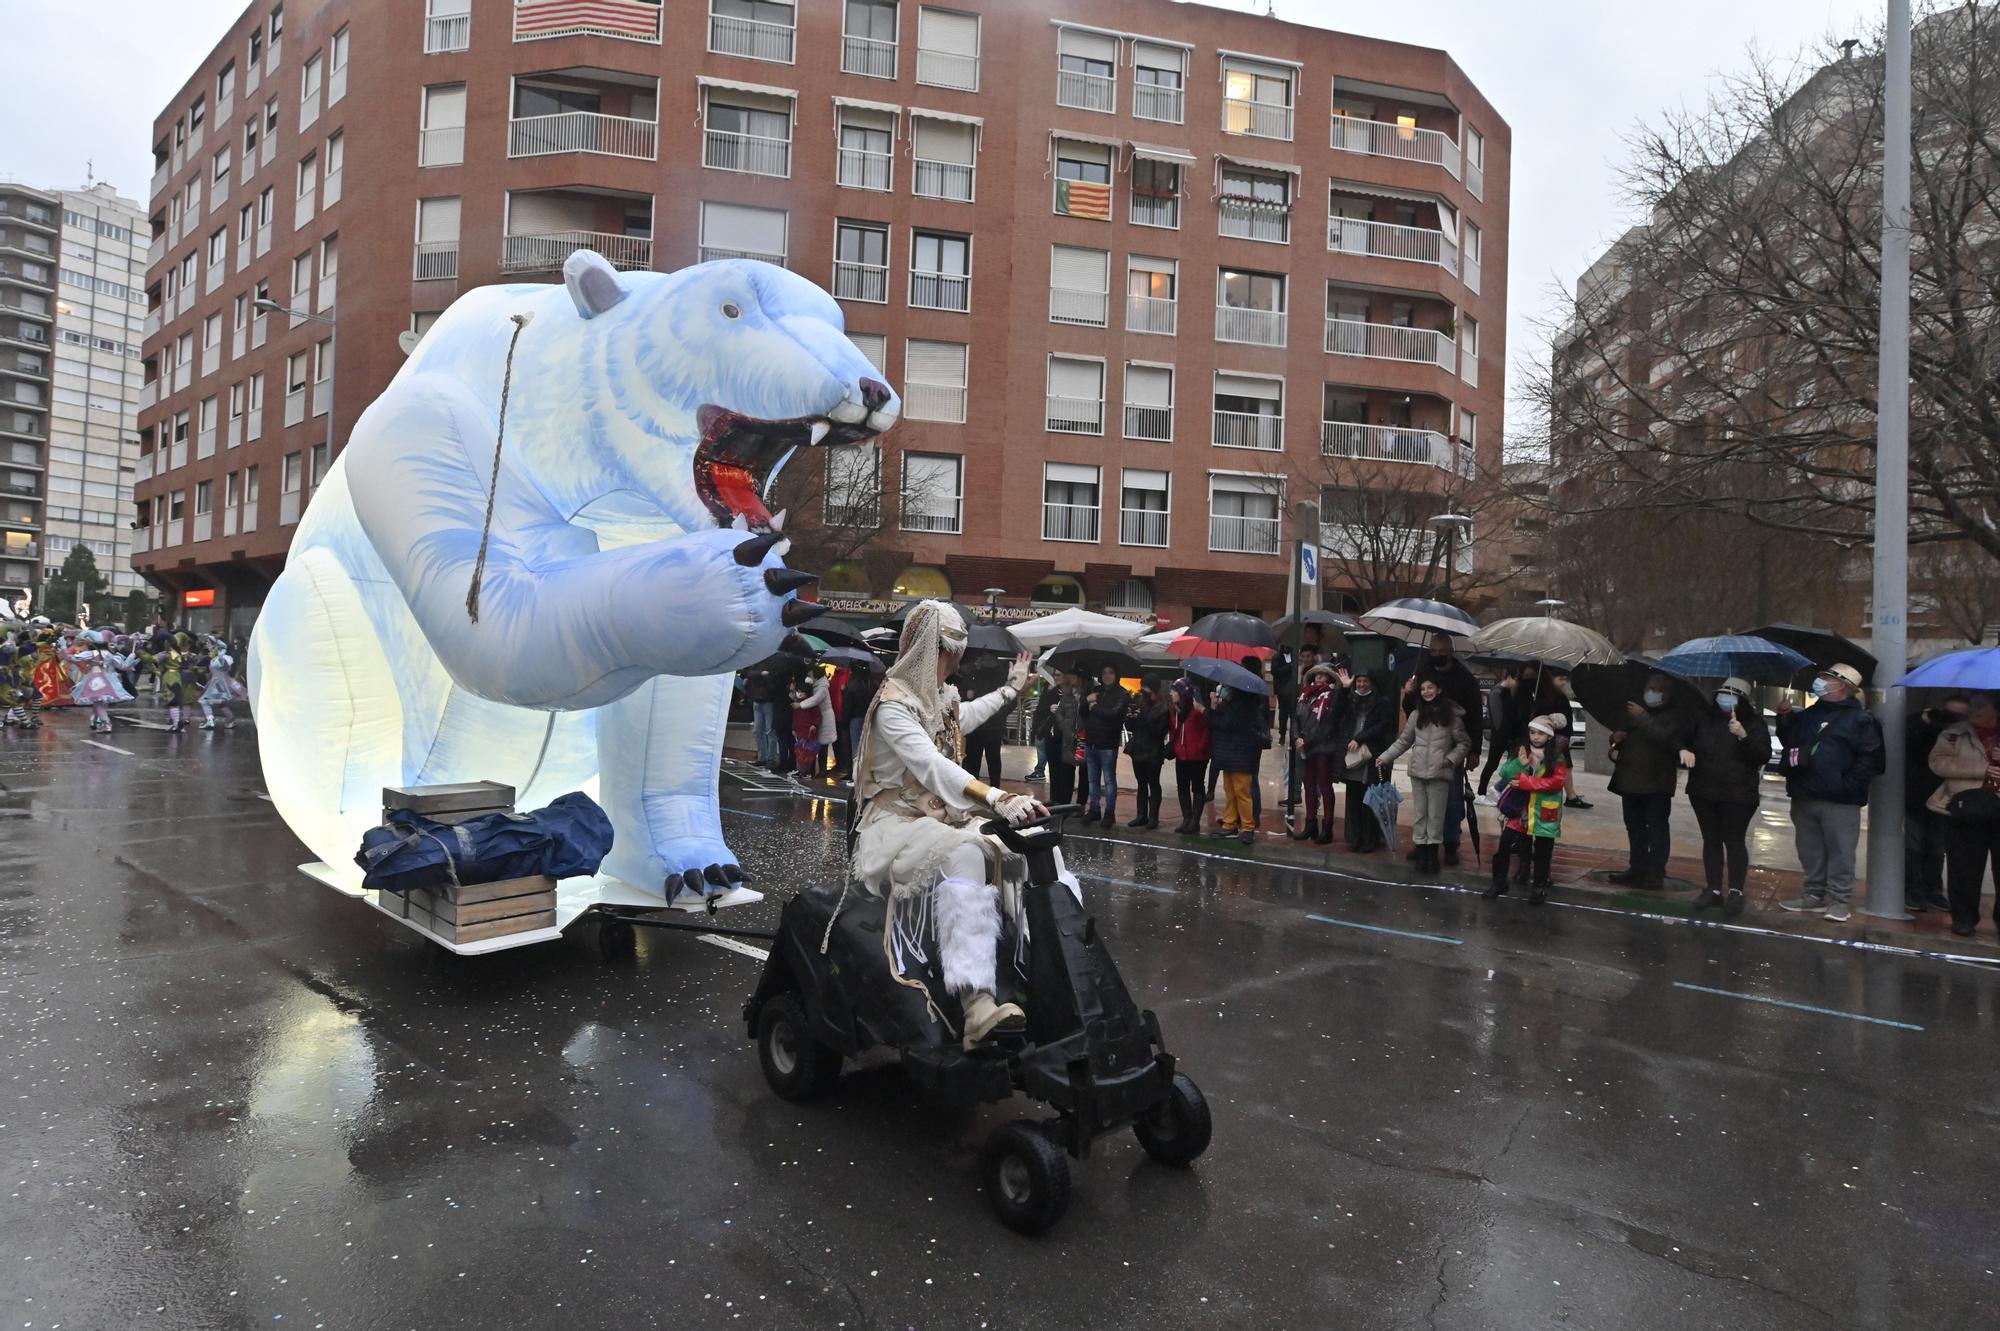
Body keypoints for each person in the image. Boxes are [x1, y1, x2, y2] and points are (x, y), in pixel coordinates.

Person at [848, 600, 1047, 1048]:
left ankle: (1044, 965)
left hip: (941, 820)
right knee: (968, 852)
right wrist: (996, 796)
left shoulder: (940, 697)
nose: (955, 660)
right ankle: (976, 1004)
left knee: (1033, 842)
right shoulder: (893, 706)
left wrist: (1011, 690)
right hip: (895, 828)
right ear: (926, 650)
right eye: (948, 651)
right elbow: (933, 763)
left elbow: (962, 721)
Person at [1774, 663, 1885, 923]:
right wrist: (1784, 718)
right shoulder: (1809, 714)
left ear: (1842, 686)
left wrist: (1845, 785)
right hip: (1804, 794)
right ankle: (1813, 894)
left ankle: (1839, 900)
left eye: (1826, 679)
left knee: (1840, 851)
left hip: (1840, 801)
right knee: (1809, 849)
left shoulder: (1861, 720)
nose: (1819, 682)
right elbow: (1791, 741)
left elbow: (1872, 760)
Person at [1682, 677, 1770, 916]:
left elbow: (1762, 755)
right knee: (1711, 839)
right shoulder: (1704, 718)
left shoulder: (1753, 723)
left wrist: (1743, 735)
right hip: (1703, 790)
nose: (1724, 698)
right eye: (1722, 693)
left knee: (1734, 840)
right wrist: (1683, 749)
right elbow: (1682, 738)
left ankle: (1735, 890)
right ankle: (1712, 889)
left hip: (1738, 794)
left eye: (1731, 695)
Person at [1377, 676, 1473, 874]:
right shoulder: (1415, 715)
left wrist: (1449, 759)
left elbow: (1464, 743)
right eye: (1423, 689)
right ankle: (1421, 850)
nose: (1426, 691)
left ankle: (1432, 854)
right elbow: (1404, 741)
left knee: (1436, 816)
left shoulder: (1451, 716)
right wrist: (1385, 757)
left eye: (1431, 687)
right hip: (1418, 771)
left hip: (1440, 773)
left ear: (1439, 690)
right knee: (1420, 814)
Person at [1403, 633, 1483, 865]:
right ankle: (1423, 844)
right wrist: (1409, 693)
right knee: (1423, 805)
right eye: (1433, 651)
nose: (1437, 655)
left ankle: (1450, 844)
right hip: (1425, 749)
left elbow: (1475, 716)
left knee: (1452, 800)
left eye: (1442, 651)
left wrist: (1473, 750)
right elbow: (1411, 709)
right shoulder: (1423, 672)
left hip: (1450, 751)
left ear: (1451, 650)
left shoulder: (1465, 678)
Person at [1607, 673, 1693, 889]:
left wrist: (1644, 716)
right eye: (1649, 688)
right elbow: (1623, 733)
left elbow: (1668, 740)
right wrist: (1616, 738)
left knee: (1657, 828)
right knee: (1634, 826)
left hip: (1657, 783)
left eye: (1656, 689)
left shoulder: (1677, 715)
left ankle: (1656, 872)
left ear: (1667, 693)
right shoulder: (1634, 711)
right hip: (1630, 780)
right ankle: (1636, 868)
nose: (1650, 693)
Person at [1927, 691, 2000, 938]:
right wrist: (1984, 769)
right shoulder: (1954, 733)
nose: (1974, 710)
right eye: (1972, 705)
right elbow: (1938, 763)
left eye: (1981, 705)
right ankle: (1964, 918)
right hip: (1964, 808)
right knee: (1964, 868)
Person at [1485, 715, 1570, 904]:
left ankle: (1539, 886)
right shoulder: (1522, 750)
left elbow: (1556, 782)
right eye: (1532, 732)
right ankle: (1499, 881)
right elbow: (1505, 773)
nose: (1535, 737)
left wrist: (1526, 782)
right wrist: (1519, 764)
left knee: (1542, 849)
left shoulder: (1556, 756)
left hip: (1544, 809)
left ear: (1549, 736)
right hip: (1521, 807)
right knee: (1506, 842)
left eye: (1541, 733)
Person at [1904, 695, 1967, 913]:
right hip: (1916, 796)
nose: (1951, 720)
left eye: (1959, 716)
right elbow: (1906, 741)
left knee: (1937, 848)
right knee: (1913, 846)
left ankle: (1933, 891)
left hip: (1944, 799)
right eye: (1949, 714)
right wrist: (1924, 721)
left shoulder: (1962, 735)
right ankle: (1912, 890)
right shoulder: (1922, 727)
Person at [1336, 669, 1396, 853]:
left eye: (1365, 681)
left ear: (1372, 683)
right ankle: (1356, 837)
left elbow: (1382, 726)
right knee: (1354, 798)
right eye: (1359, 682)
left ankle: (1371, 839)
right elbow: (1337, 710)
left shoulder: (1382, 703)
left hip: (1370, 756)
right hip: (1353, 756)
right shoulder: (1351, 698)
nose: (1362, 685)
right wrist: (1345, 689)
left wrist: (1361, 737)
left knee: (1369, 799)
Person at [1207, 682, 1265, 845]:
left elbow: (1224, 723)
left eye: (1226, 686)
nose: (1223, 689)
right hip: (1230, 753)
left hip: (1242, 754)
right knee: (1230, 790)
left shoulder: (1243, 706)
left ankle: (1247, 827)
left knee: (1242, 791)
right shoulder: (1231, 704)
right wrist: (1214, 706)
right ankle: (1229, 823)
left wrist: (1206, 711)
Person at [1292, 663, 1342, 844]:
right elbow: (1295, 718)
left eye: (1324, 675)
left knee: (1325, 786)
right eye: (1317, 675)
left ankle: (1327, 827)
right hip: (1305, 748)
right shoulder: (1305, 696)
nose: (1320, 678)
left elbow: (1328, 725)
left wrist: (1307, 742)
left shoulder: (1333, 697)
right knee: (1309, 786)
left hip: (1323, 747)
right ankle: (1310, 824)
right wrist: (1297, 737)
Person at [1081, 664, 1130, 826]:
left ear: (1116, 675)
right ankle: (1094, 810)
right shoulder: (1097, 691)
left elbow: (1114, 715)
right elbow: (1082, 712)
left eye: (1111, 672)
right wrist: (1086, 701)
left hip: (1108, 744)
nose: (1107, 676)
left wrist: (1094, 706)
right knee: (1092, 780)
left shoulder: (1122, 694)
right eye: (1104, 673)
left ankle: (1110, 812)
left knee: (1109, 780)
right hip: (1091, 742)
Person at [1124, 681, 1171, 829]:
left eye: (1147, 690)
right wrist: (1130, 717)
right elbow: (1132, 728)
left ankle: (1153, 817)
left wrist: (1143, 716)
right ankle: (1141, 814)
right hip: (1138, 749)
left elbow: (1158, 732)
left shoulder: (1162, 709)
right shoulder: (1141, 704)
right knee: (1141, 783)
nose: (1144, 693)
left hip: (1153, 751)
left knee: (1153, 783)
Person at [1035, 669, 1085, 807]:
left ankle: (1064, 801)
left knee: (1066, 769)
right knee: (1053, 767)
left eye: (1058, 675)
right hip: (1051, 734)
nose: (1055, 678)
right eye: (1054, 675)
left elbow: (1076, 715)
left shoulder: (1073, 693)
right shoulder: (1050, 690)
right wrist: (1049, 708)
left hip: (1067, 736)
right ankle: (1054, 798)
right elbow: (1040, 709)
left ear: (1066, 676)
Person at [1167, 678, 1212, 834]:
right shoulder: (1174, 710)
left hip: (1198, 756)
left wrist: (1201, 747)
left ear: (1182, 693)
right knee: (1182, 787)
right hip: (1181, 755)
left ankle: (1195, 821)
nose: (1171, 693)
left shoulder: (1197, 709)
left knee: (1197, 787)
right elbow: (1173, 730)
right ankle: (1186, 819)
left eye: (1174, 690)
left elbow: (1207, 730)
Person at [741, 652, 797, 771]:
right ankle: (763, 757)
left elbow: (754, 675)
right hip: (760, 698)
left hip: (766, 699)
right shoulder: (761, 659)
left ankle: (769, 758)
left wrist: (757, 677)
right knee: (759, 730)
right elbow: (749, 673)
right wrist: (761, 674)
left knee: (769, 730)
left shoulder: (771, 660)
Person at [961, 666, 1012, 786]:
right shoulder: (973, 675)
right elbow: (962, 694)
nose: (985, 662)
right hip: (975, 727)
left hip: (994, 726)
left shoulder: (1000, 676)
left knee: (993, 759)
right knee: (972, 759)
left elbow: (1009, 702)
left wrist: (998, 715)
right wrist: (966, 694)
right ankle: (971, 787)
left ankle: (995, 787)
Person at [790, 668, 837, 778]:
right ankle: (809, 770)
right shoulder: (815, 684)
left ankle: (822, 770)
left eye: (810, 673)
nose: (808, 674)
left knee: (823, 744)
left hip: (824, 717)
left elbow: (815, 699)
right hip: (814, 717)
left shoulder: (823, 687)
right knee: (812, 745)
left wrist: (800, 705)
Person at [195, 635, 246, 731]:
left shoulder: (221, 659)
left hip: (219, 683)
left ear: (216, 648)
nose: (209, 648)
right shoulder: (219, 658)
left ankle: (210, 720)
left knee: (204, 701)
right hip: (220, 682)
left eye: (211, 646)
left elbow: (221, 668)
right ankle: (230, 719)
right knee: (221, 703)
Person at [839, 665, 880, 782]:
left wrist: (844, 721)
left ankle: (856, 775)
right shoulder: (873, 684)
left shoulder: (851, 686)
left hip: (855, 719)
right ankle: (866, 774)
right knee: (867, 746)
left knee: (856, 748)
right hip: (869, 718)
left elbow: (847, 706)